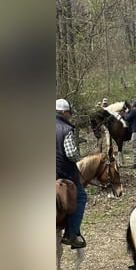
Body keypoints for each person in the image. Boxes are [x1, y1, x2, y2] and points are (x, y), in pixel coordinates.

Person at [56, 98, 87, 249]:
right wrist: (78, 155)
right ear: (64, 112)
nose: (70, 116)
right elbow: (71, 154)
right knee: (81, 197)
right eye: (69, 113)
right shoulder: (66, 129)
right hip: (63, 173)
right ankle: (71, 234)